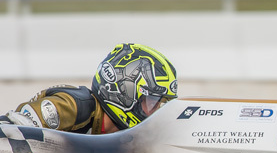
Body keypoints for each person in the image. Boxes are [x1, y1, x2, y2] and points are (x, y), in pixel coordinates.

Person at [0, 43, 178, 134]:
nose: (156, 112)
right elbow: (10, 132)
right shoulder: (73, 106)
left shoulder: (130, 138)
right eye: (153, 102)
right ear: (126, 92)